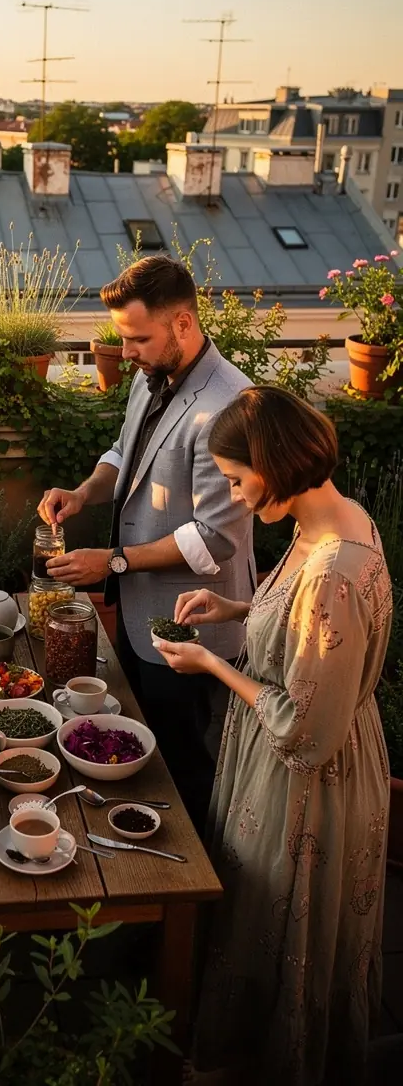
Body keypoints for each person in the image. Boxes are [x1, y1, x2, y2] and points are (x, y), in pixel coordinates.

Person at [154, 386, 391, 1086]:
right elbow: (308, 636)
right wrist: (236, 606)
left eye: (235, 479)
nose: (233, 495)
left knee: (277, 925)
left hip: (308, 784)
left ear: (275, 462)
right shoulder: (337, 519)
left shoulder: (333, 572)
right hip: (325, 755)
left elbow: (302, 729)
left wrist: (212, 663)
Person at [38, 254, 254, 828]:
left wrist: (111, 560)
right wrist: (83, 493)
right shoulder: (148, 374)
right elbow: (125, 456)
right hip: (141, 620)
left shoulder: (230, 404)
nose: (125, 352)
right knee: (142, 755)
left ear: (183, 323)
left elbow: (214, 540)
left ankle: (197, 892)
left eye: (137, 338)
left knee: (188, 770)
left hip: (194, 628)